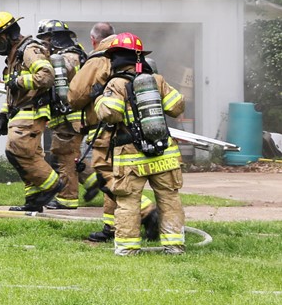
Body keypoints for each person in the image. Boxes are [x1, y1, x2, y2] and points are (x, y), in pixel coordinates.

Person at [91, 33, 186, 255]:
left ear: (115, 58)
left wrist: (99, 99)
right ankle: (174, 247)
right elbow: (177, 107)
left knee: (128, 202)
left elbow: (111, 114)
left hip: (132, 156)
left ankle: (127, 249)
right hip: (164, 153)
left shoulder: (116, 83)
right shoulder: (157, 80)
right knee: (170, 199)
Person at [68, 23, 161, 242]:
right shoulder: (137, 59)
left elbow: (74, 94)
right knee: (117, 173)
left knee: (105, 175)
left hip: (107, 128)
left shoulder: (98, 59)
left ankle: (147, 211)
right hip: (137, 129)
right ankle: (112, 226)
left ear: (94, 40)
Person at [0, 11, 62, 212]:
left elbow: (46, 76)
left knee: (15, 152)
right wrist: (3, 114)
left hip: (32, 111)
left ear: (6, 35)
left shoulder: (29, 50)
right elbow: (12, 92)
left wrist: (18, 81)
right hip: (20, 111)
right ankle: (33, 200)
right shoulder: (14, 56)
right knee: (29, 156)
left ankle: (53, 185)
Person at [36, 19, 86, 210]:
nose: (44, 45)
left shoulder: (67, 58)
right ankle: (95, 184)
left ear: (55, 39)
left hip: (69, 118)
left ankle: (67, 198)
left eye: (46, 40)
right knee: (71, 157)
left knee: (64, 157)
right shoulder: (77, 53)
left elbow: (54, 80)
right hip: (68, 116)